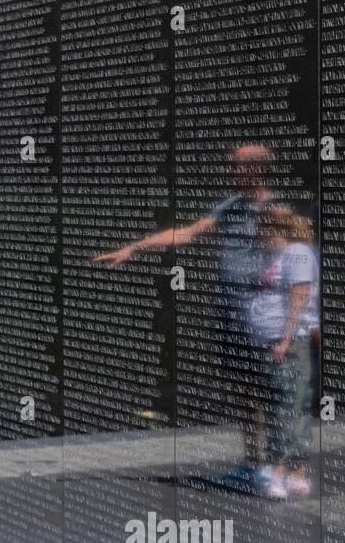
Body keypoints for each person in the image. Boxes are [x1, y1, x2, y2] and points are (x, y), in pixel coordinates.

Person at [93, 144, 274, 470]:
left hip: (263, 318)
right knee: (244, 392)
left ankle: (280, 468)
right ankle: (253, 463)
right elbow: (188, 233)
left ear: (256, 170)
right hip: (231, 316)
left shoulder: (275, 211)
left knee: (272, 390)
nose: (229, 173)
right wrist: (135, 248)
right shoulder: (232, 206)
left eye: (235, 167)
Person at [246, 206, 319, 499]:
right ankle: (297, 471)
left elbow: (299, 297)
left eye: (261, 231)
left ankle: (278, 472)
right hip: (273, 339)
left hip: (288, 342)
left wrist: (285, 340)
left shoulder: (297, 252)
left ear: (272, 229)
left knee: (285, 406)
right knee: (291, 404)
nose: (257, 237)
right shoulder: (276, 257)